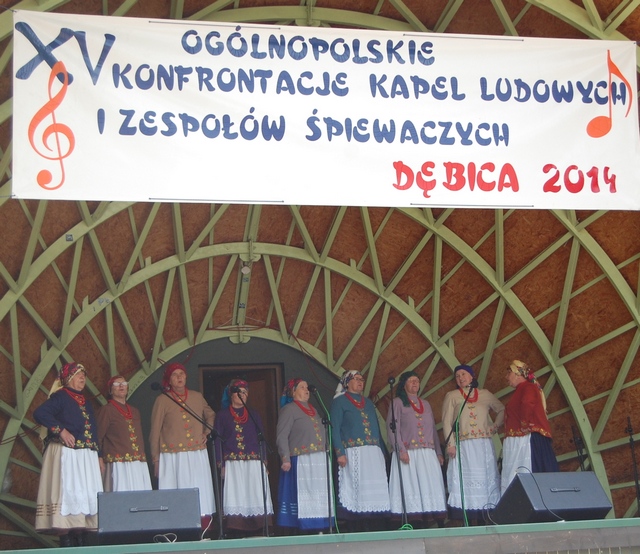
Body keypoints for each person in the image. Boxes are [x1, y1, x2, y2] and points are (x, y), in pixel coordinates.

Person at [33, 362, 103, 547]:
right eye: (78, 374)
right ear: (68, 378)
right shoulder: (61, 396)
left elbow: (93, 430)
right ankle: (67, 544)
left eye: (84, 374)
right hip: (68, 455)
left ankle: (81, 543)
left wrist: (99, 455)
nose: (82, 377)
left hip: (85, 457)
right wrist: (61, 430)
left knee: (83, 497)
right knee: (68, 493)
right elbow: (40, 413)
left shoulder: (85, 401)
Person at [149, 362, 216, 526]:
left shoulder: (197, 396)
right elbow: (155, 431)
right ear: (169, 380)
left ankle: (202, 527)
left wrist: (206, 432)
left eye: (181, 374)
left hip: (197, 453)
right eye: (175, 374)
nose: (179, 377)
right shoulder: (162, 400)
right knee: (175, 491)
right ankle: (176, 527)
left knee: (199, 489)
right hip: (173, 456)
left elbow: (211, 415)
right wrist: (156, 459)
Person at [441, 364, 504, 525]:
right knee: (466, 480)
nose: (460, 378)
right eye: (457, 376)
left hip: (483, 445)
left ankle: (485, 516)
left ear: (471, 376)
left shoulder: (485, 394)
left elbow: (502, 410)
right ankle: (467, 519)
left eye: (463, 374)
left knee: (485, 477)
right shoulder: (452, 396)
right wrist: (450, 444)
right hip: (464, 445)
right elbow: (446, 422)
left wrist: (495, 426)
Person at [330, 369, 390, 531]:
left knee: (374, 490)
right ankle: (357, 527)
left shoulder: (368, 403)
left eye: (361, 379)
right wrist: (340, 452)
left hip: (373, 452)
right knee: (357, 489)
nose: (360, 382)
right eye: (356, 379)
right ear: (347, 382)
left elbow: (377, 428)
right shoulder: (339, 402)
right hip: (353, 452)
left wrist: (381, 450)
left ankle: (375, 527)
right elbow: (334, 429)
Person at [386, 371, 446, 528]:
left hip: (427, 452)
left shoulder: (425, 404)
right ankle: (414, 520)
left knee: (430, 484)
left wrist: (438, 452)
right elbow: (392, 428)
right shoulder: (397, 403)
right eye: (411, 380)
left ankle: (434, 519)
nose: (414, 383)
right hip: (409, 452)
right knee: (411, 485)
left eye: (417, 380)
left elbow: (433, 429)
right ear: (403, 384)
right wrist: (400, 450)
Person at [214, 379, 273, 536]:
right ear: (231, 395)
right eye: (239, 392)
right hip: (233, 462)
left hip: (254, 461)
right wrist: (221, 464)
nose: (242, 395)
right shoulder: (222, 415)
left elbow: (261, 438)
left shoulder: (254, 414)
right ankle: (236, 528)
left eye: (245, 392)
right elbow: (217, 441)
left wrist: (264, 462)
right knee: (236, 493)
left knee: (255, 491)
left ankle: (260, 526)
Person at [276, 378, 334, 532]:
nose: (306, 390)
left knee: (319, 493)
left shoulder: (314, 409)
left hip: (319, 457)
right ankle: (306, 526)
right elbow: (282, 435)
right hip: (302, 458)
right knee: (305, 493)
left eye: (307, 387)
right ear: (293, 392)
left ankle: (320, 525)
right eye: (302, 387)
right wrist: (285, 458)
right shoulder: (289, 409)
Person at [501, 359, 559, 493]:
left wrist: (524, 423)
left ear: (517, 373)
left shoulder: (528, 387)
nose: (506, 377)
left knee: (527, 470)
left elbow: (528, 403)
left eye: (509, 373)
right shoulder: (522, 389)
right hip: (518, 439)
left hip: (526, 439)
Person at [97, 375, 152, 492]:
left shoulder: (135, 411)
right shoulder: (106, 410)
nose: (121, 386)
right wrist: (99, 457)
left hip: (138, 461)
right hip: (118, 463)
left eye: (124, 383)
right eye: (117, 384)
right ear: (110, 390)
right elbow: (98, 436)